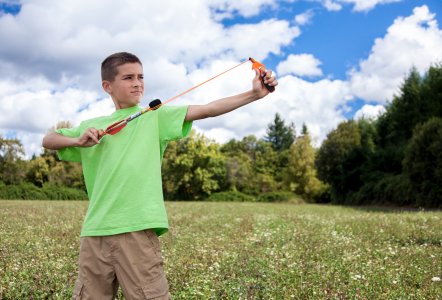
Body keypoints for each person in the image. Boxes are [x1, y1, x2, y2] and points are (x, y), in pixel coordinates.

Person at [42, 52, 277, 299]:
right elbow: (49, 139)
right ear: (107, 86)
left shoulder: (154, 117)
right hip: (94, 233)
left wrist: (253, 95)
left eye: (141, 77)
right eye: (128, 77)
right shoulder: (92, 126)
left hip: (137, 229)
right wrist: (77, 140)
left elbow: (208, 109)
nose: (137, 83)